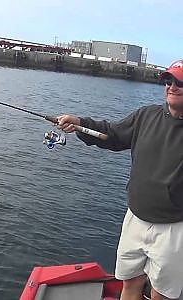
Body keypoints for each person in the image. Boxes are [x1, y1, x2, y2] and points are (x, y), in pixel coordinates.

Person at [56, 60, 183, 300]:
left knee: (161, 294)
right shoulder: (147, 116)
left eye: (180, 82)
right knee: (130, 282)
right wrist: (81, 125)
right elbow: (111, 134)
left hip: (175, 228)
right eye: (168, 80)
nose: (172, 87)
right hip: (135, 218)